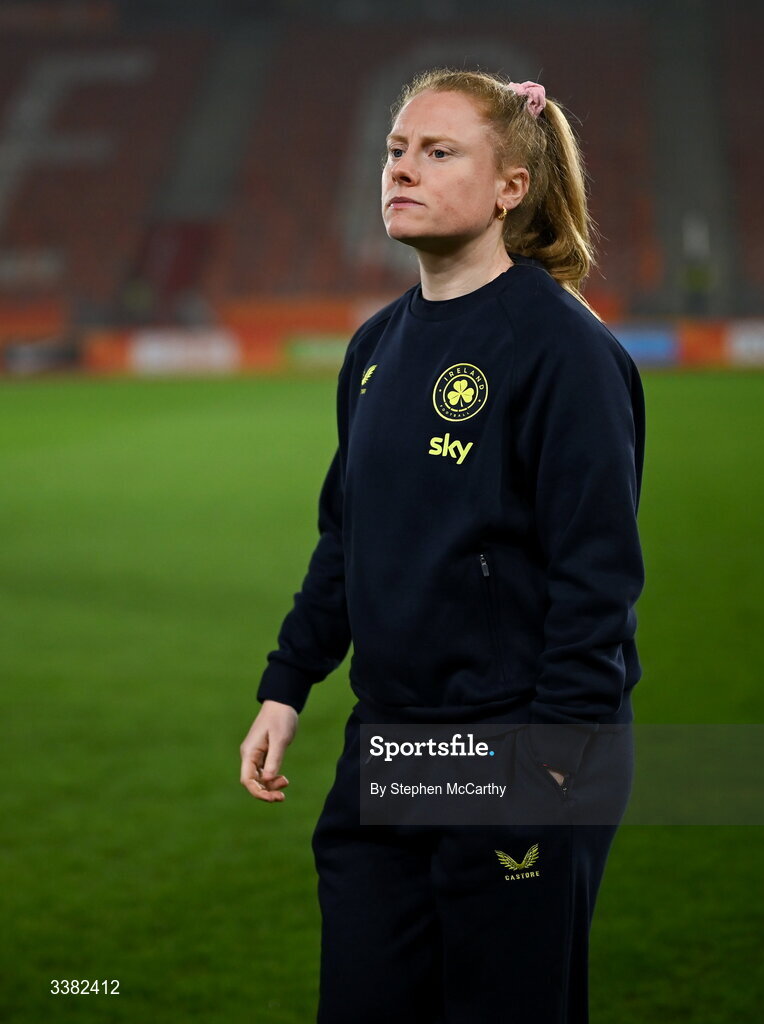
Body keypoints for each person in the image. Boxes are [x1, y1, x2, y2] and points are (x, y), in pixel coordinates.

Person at [239, 69, 645, 1024]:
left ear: (510, 188)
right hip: (393, 745)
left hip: (515, 744)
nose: (402, 170)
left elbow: (599, 575)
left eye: (436, 151)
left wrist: (551, 759)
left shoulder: (565, 351)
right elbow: (349, 533)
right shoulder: (375, 346)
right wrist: (286, 684)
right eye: (394, 150)